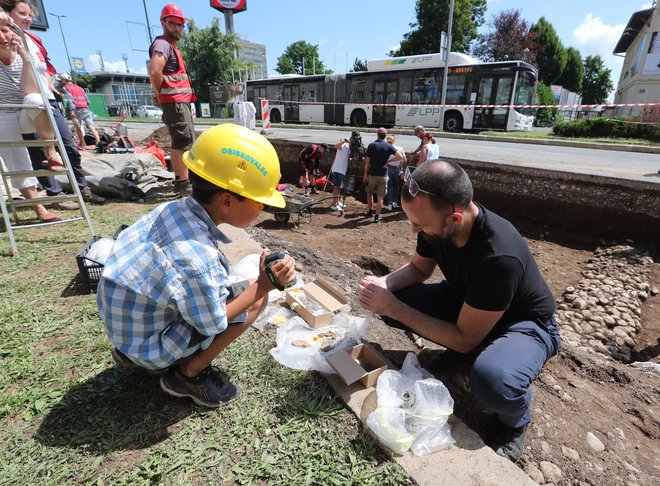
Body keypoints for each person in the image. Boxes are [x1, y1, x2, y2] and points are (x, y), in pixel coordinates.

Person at [357, 160, 560, 462]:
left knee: (493, 380)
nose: (414, 229)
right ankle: (469, 354)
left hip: (524, 323)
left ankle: (515, 421)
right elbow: (417, 268)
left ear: (454, 216)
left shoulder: (498, 256)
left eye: (420, 225)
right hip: (469, 301)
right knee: (391, 301)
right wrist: (383, 286)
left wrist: (395, 308)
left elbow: (464, 337)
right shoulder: (435, 221)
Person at [97, 123, 296, 408]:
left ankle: (137, 354)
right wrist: (264, 285)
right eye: (258, 202)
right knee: (255, 302)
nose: (262, 209)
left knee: (230, 292)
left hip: (127, 328)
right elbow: (214, 321)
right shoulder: (197, 259)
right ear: (227, 201)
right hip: (146, 344)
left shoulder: (173, 210)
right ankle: (187, 374)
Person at [3, 0, 105, 206]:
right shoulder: (5, 39)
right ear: (8, 14)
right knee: (36, 151)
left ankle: (81, 187)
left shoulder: (34, 40)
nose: (28, 18)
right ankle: (54, 193)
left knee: (68, 146)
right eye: (22, 13)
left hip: (46, 99)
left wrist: (49, 87)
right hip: (25, 102)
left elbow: (47, 68)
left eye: (30, 15)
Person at [0, 10, 60, 222]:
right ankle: (39, 209)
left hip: (26, 111)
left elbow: (30, 91)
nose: (2, 36)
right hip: (3, 114)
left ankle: (50, 151)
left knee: (36, 100)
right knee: (14, 154)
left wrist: (25, 59)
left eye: (5, 31)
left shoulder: (25, 55)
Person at [149, 3, 197, 198]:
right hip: (175, 102)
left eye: (179, 25)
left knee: (185, 141)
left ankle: (183, 180)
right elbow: (154, 71)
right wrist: (160, 93)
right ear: (163, 23)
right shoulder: (163, 45)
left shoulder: (171, 47)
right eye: (172, 23)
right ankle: (183, 183)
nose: (176, 28)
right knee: (182, 142)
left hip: (179, 101)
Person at [363, 127, 403, 223]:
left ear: (377, 134)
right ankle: (376, 217)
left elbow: (367, 161)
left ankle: (370, 211)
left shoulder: (372, 145)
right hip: (384, 175)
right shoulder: (389, 146)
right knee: (381, 197)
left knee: (370, 193)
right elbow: (400, 157)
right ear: (385, 136)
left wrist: (365, 174)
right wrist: (389, 161)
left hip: (373, 174)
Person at [59, 72, 100, 145]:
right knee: (90, 125)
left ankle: (83, 142)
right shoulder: (79, 88)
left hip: (76, 110)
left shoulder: (66, 88)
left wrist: (71, 111)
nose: (61, 82)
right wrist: (86, 107)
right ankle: (98, 141)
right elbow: (87, 100)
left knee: (78, 127)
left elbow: (70, 100)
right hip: (85, 108)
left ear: (64, 80)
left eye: (61, 80)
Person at [383, 134, 405, 211]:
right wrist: (401, 169)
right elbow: (404, 160)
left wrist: (389, 161)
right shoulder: (400, 148)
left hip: (389, 168)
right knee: (396, 186)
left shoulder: (386, 149)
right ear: (394, 141)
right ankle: (395, 203)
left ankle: (389, 204)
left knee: (390, 187)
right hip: (397, 169)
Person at [328, 137, 351, 211]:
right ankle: (334, 205)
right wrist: (344, 141)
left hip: (342, 170)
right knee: (337, 187)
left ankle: (337, 202)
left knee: (339, 187)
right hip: (338, 169)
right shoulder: (343, 145)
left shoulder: (349, 148)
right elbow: (336, 146)